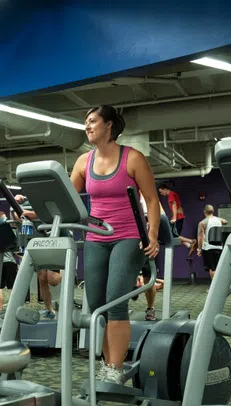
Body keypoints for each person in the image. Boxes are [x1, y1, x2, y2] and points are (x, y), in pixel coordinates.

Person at [71, 105, 160, 385]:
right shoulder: (83, 162)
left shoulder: (132, 158)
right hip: (96, 237)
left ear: (109, 125)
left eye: (93, 121)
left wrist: (153, 234)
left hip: (128, 236)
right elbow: (68, 199)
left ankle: (114, 367)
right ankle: (110, 364)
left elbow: (153, 199)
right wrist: (36, 207)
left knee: (115, 302)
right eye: (85, 122)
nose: (87, 126)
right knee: (97, 304)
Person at [12, 194, 62, 320]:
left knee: (53, 280)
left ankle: (67, 270)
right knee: (42, 278)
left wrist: (29, 213)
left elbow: (44, 214)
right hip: (35, 240)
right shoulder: (24, 200)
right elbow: (18, 218)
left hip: (51, 239)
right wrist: (14, 204)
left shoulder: (45, 199)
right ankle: (49, 309)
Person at [197, 204, 228, 280]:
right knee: (218, 268)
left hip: (208, 248)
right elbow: (225, 221)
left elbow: (200, 237)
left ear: (204, 212)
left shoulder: (202, 223)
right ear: (213, 211)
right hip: (219, 247)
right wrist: (219, 220)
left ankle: (214, 288)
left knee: (212, 268)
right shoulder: (219, 220)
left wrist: (199, 249)